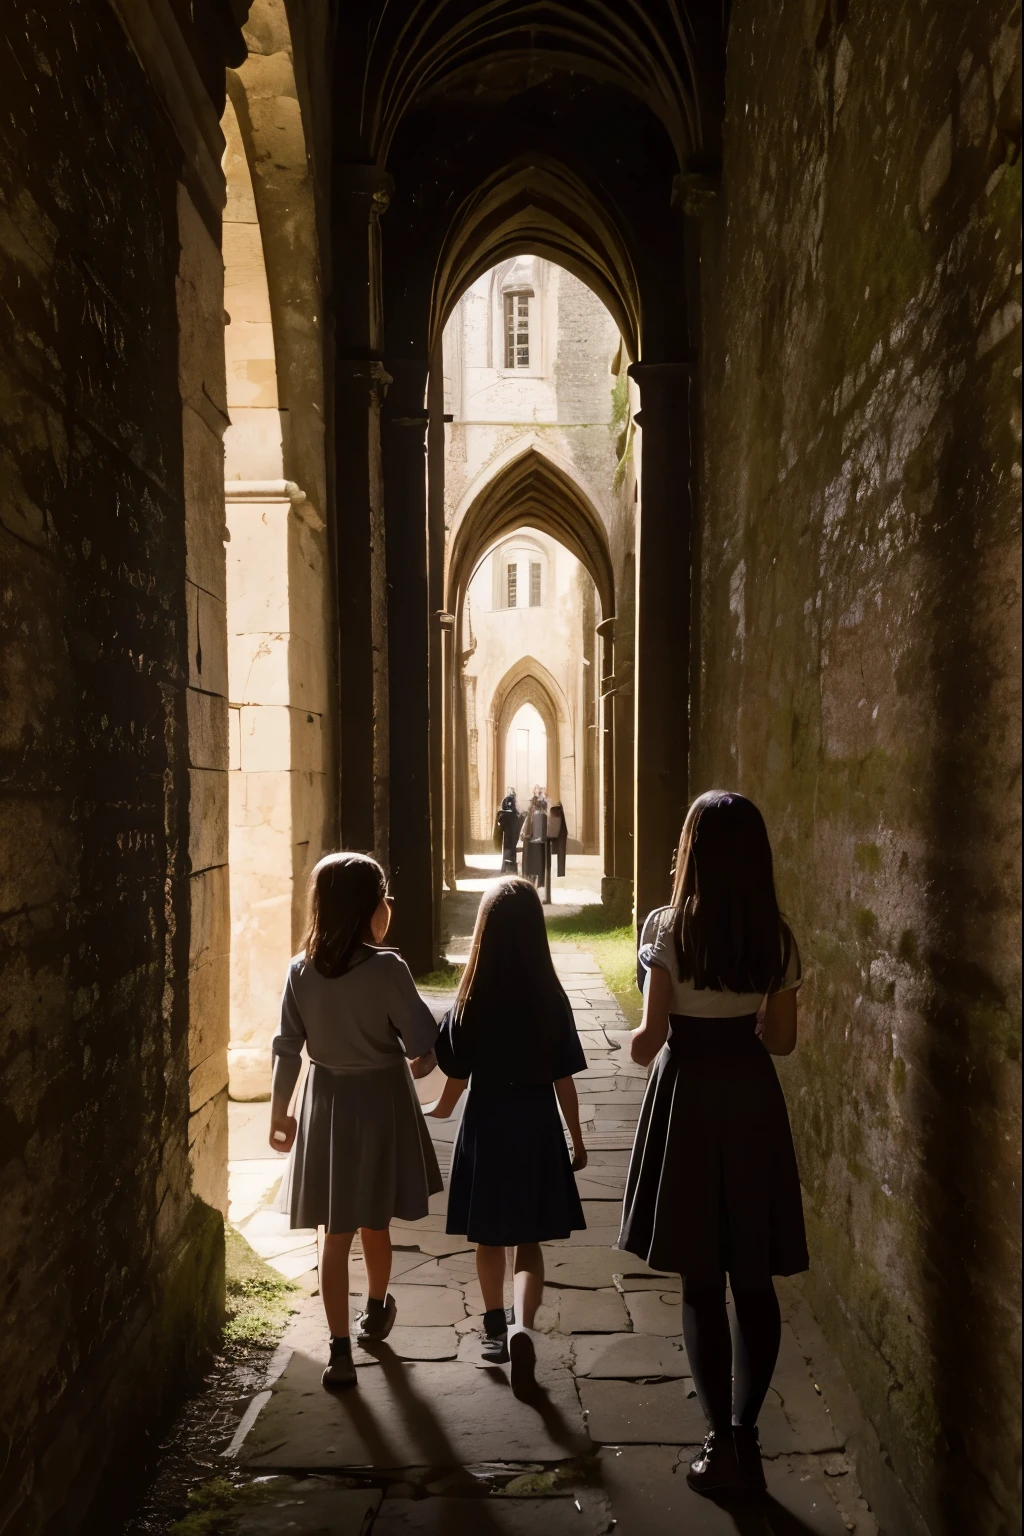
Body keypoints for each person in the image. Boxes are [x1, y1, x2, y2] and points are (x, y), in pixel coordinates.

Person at [618, 791, 807, 1497]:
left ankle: (717, 1442)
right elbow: (782, 1042)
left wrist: (632, 1042)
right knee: (752, 1278)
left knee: (703, 1277)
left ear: (692, 852)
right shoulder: (775, 938)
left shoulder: (669, 930)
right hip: (752, 1102)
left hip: (689, 1101)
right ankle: (749, 1433)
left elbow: (650, 1041)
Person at [269, 852, 441, 1390]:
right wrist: (420, 1061)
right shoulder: (388, 968)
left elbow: (288, 1050)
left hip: (327, 1105)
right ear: (370, 907)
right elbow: (423, 1042)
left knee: (334, 1232)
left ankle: (338, 1350)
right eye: (384, 896)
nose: (389, 905)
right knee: (376, 1220)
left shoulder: (300, 972)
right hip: (382, 1101)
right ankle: (375, 1308)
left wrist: (280, 1110)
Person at [427, 877, 588, 1390]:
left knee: (488, 1234)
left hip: (488, 1120)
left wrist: (437, 1109)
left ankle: (494, 1326)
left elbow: (456, 1074)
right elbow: (564, 1076)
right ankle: (524, 1324)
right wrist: (577, 1140)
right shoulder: (550, 997)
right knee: (529, 1239)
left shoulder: (471, 999)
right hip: (537, 1121)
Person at [494, 789, 524, 874]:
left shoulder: (504, 813)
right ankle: (510, 867)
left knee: (507, 848)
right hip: (513, 831)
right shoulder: (514, 813)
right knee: (511, 848)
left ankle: (506, 867)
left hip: (508, 833)